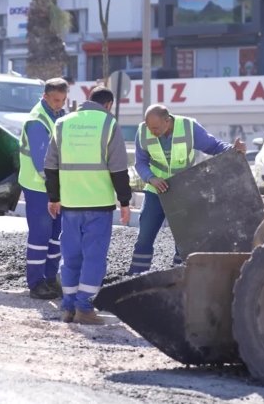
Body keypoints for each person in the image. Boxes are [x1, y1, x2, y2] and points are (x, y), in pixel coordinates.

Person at [45, 86, 132, 325]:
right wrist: (125, 201)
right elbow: (118, 168)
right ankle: (84, 308)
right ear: (108, 105)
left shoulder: (62, 123)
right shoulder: (108, 123)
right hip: (98, 203)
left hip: (70, 203)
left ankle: (68, 306)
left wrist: (53, 197)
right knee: (93, 258)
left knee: (71, 256)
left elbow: (50, 165)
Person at [127, 104, 246, 275]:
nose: (151, 131)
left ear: (167, 121)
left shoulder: (189, 127)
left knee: (184, 239)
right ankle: (136, 274)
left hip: (183, 190)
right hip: (155, 191)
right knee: (145, 236)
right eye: (149, 127)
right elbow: (140, 162)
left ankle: (180, 275)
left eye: (156, 128)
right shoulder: (143, 131)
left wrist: (234, 150)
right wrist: (151, 178)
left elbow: (214, 146)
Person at [18, 77, 69, 300]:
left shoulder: (59, 116)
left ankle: (50, 278)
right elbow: (42, 164)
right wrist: (55, 191)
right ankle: (36, 283)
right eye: (56, 100)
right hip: (39, 187)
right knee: (40, 236)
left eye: (63, 100)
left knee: (56, 236)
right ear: (45, 96)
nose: (60, 104)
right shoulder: (37, 121)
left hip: (55, 187)